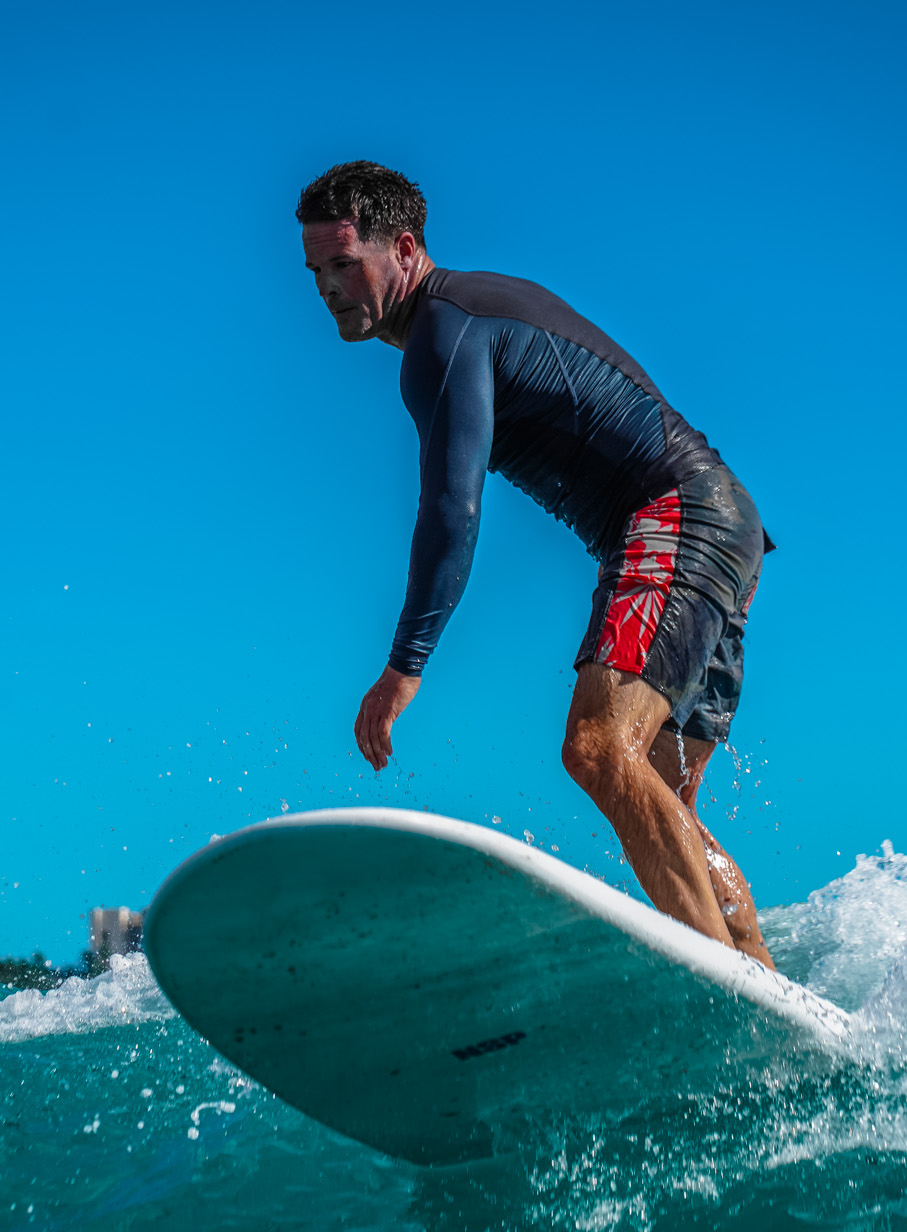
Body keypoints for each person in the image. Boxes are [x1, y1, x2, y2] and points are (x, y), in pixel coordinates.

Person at [298, 160, 777, 971]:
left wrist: (404, 666)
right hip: (723, 523)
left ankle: (723, 989)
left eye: (344, 263)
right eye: (315, 270)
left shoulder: (443, 331)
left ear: (404, 247)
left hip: (678, 516)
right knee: (664, 804)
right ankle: (765, 988)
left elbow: (452, 510)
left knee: (597, 749)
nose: (327, 286)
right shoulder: (470, 312)